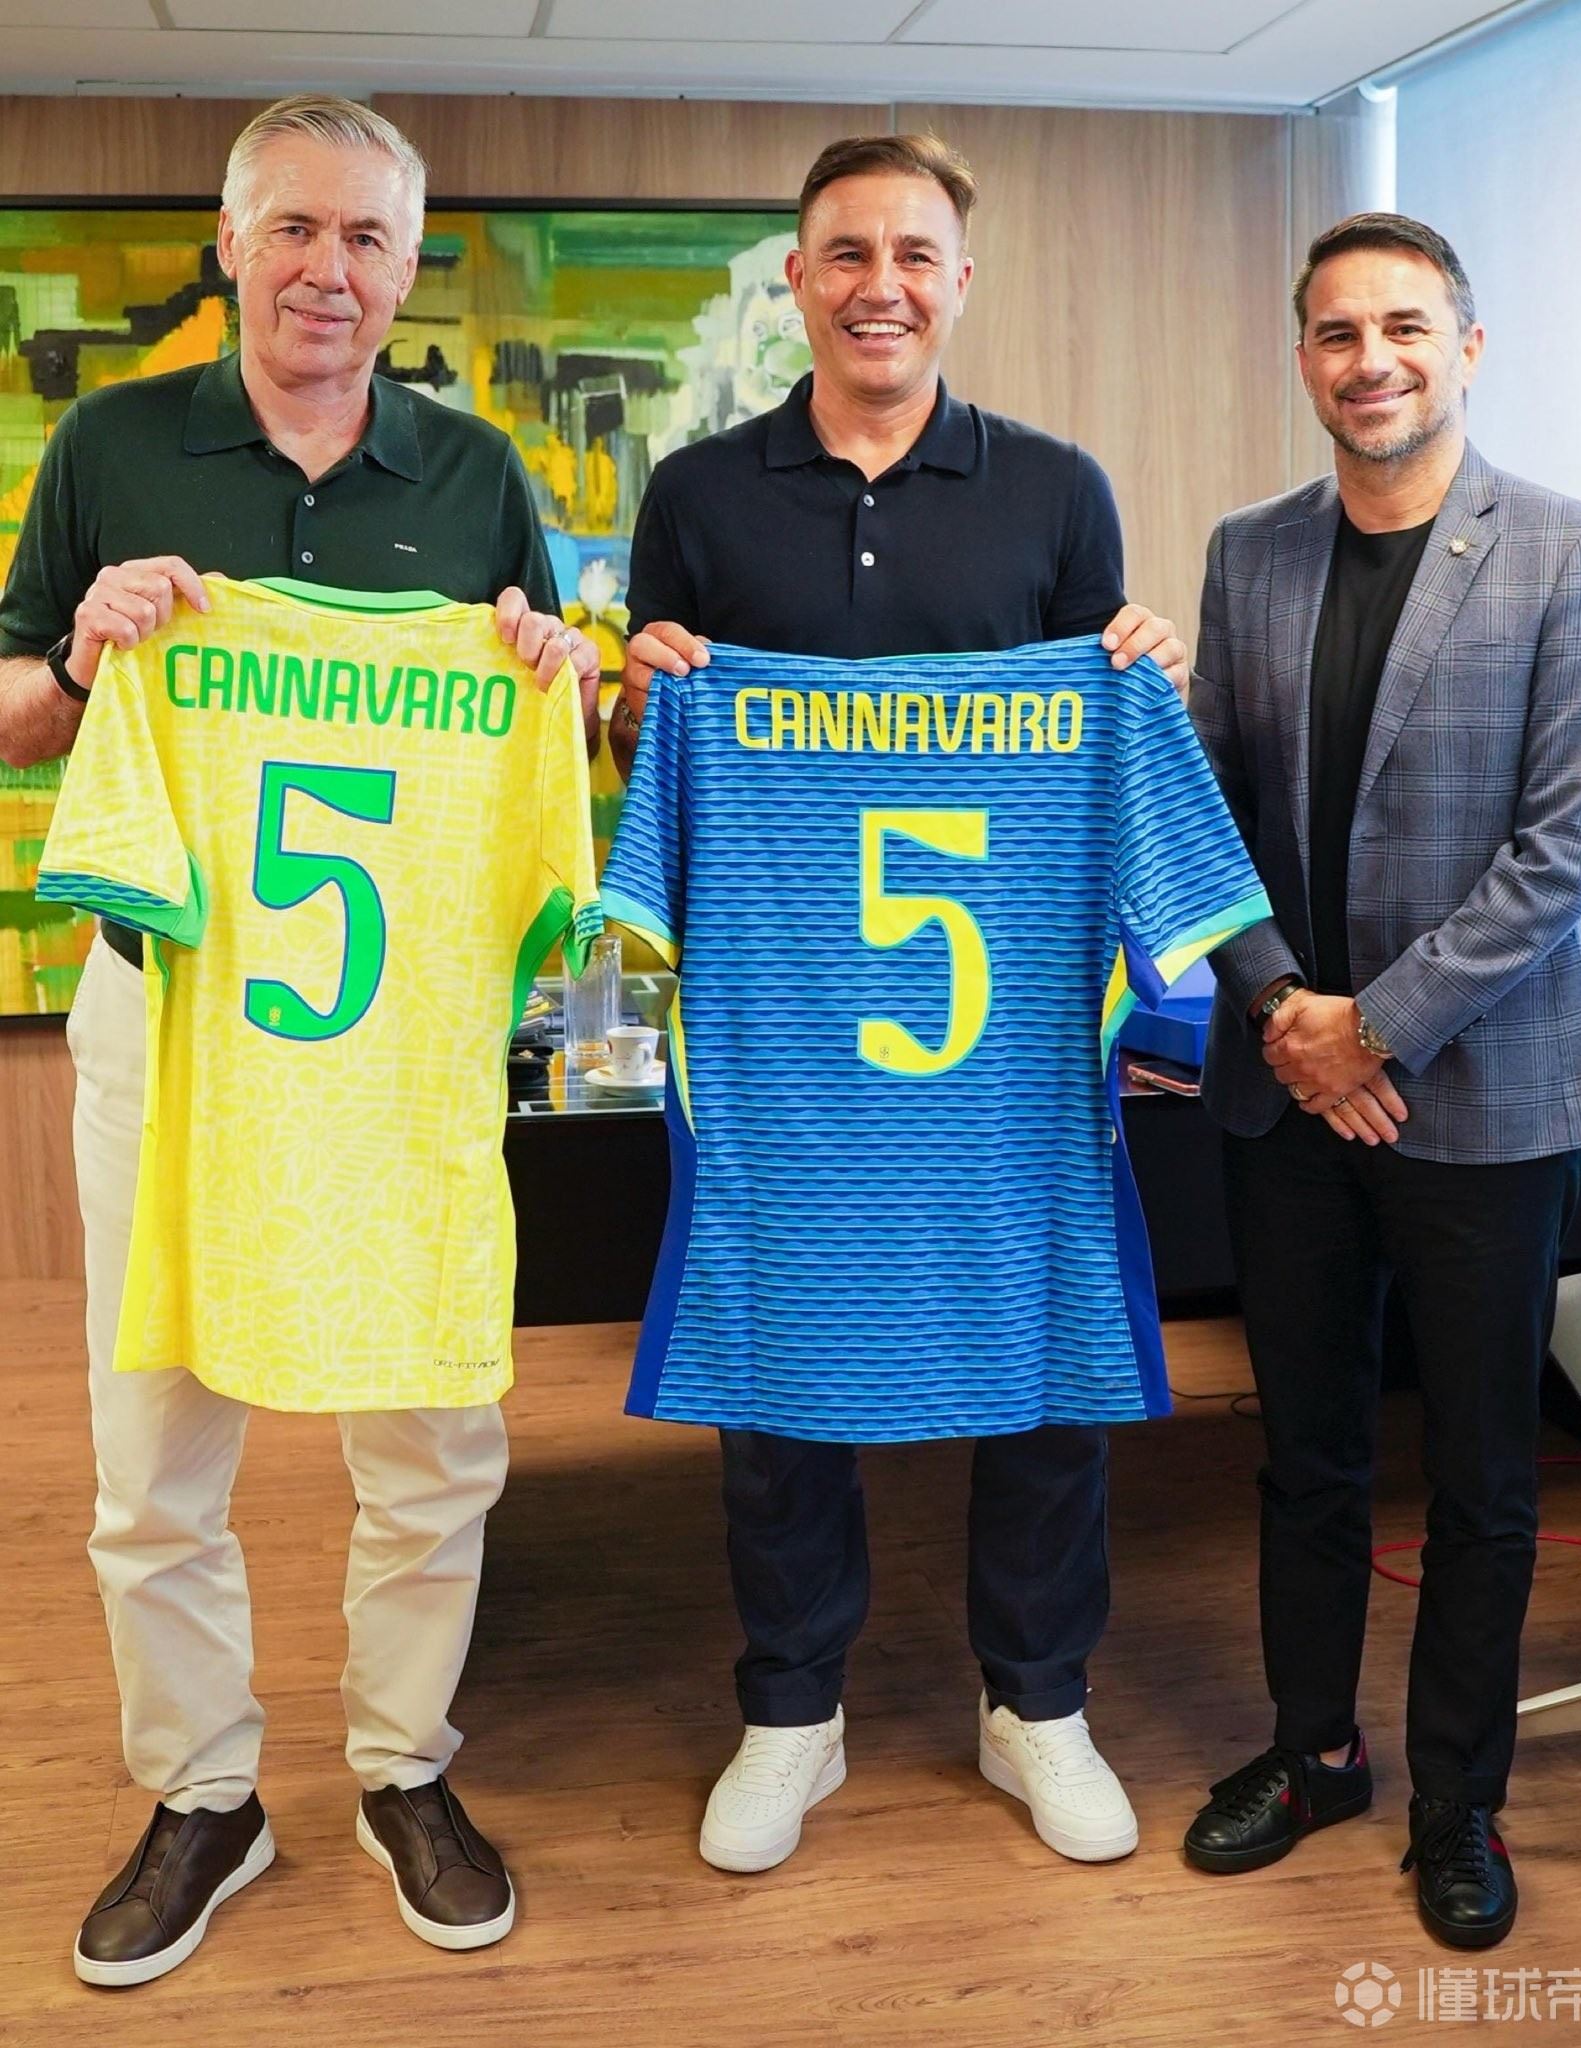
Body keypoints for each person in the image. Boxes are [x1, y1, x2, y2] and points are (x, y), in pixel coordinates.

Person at [0, 95, 601, 1984]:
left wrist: (560, 676)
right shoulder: (110, 446)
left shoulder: (476, 471)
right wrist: (85, 656)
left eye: (367, 239)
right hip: (170, 1012)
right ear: (232, 245)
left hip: (400, 1035)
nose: (328, 270)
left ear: (405, 271)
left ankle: (406, 1765)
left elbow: (547, 714)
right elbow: (11, 707)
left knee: (431, 1424)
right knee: (154, 1436)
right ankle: (204, 1795)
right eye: (294, 230)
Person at [608, 132, 1190, 1876]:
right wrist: (641, 694)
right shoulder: (698, 495)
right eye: (847, 254)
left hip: (1006, 1042)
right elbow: (651, 764)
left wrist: (1140, 670)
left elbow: (1099, 746)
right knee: (776, 1357)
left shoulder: (1058, 490)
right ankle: (794, 1711)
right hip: (782, 1035)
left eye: (915, 255)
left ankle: (1040, 1704)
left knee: (1047, 1358)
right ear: (796, 279)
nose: (882, 286)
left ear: (960, 281)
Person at [1184, 212, 1581, 1947]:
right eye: (1336, 332)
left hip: (1485, 1094)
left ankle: (1460, 1800)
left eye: (1402, 328)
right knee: (1305, 1454)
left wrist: (1371, 1029)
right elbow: (1206, 811)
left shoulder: (1578, 553)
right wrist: (1286, 1012)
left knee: (1482, 1480)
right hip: (1285, 1089)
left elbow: (1562, 854)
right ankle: (1313, 1753)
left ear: (1466, 347)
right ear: (1304, 358)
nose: (1368, 360)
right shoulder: (1249, 553)